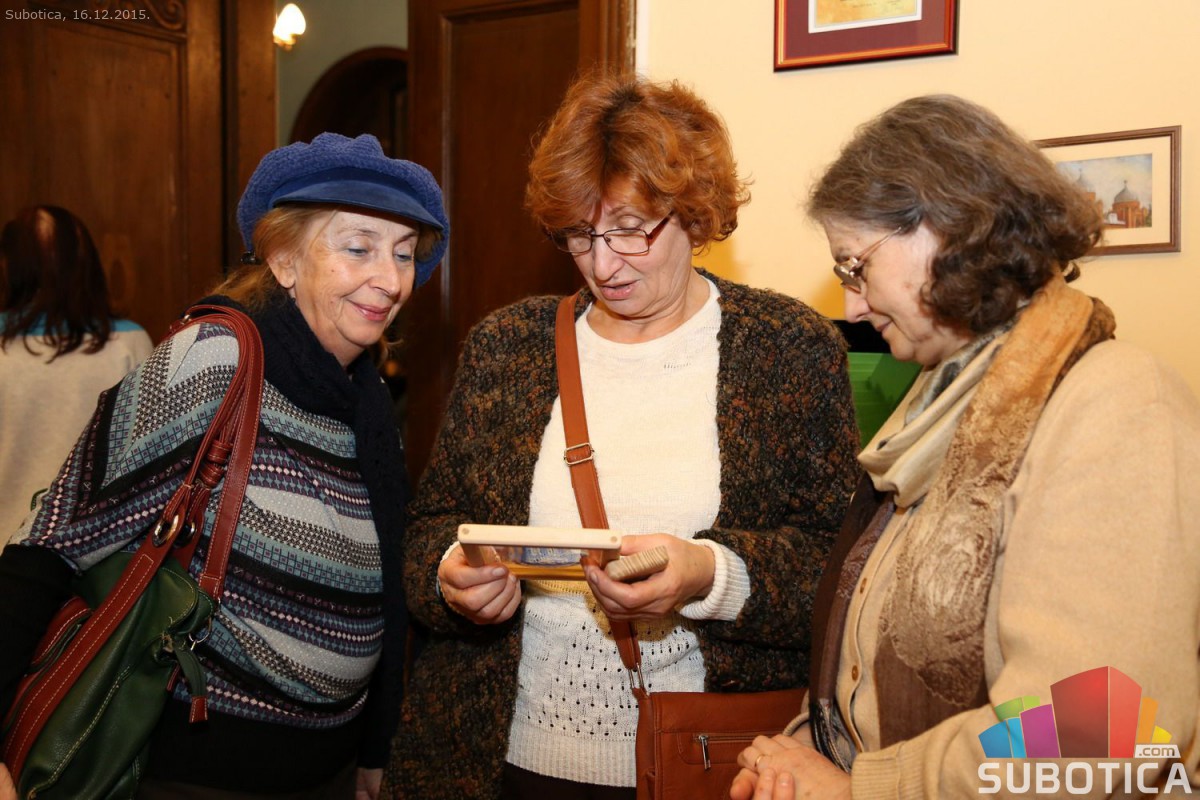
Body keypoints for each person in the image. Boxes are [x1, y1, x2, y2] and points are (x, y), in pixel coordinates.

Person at [383, 72, 860, 799]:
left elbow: (840, 573)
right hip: (497, 763)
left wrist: (710, 575)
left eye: (631, 229)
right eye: (580, 236)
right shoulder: (507, 347)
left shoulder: (788, 348)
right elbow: (430, 529)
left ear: (694, 214)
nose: (603, 264)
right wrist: (449, 575)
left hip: (702, 764)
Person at [733, 95, 1200, 799]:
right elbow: (862, 660)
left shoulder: (1119, 404)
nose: (851, 305)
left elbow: (1104, 729)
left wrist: (862, 788)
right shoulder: (937, 401)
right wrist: (803, 752)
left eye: (855, 266)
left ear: (945, 229)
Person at [0, 132, 449, 799]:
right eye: (359, 247)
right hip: (198, 775)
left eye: (404, 253)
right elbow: (53, 543)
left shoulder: (365, 393)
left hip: (328, 771)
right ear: (284, 259)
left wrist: (376, 749)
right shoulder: (215, 358)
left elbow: (384, 583)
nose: (391, 279)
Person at [0, 205, 153, 537]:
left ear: (9, 267)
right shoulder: (128, 343)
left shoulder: (129, 343)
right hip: (94, 547)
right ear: (87, 265)